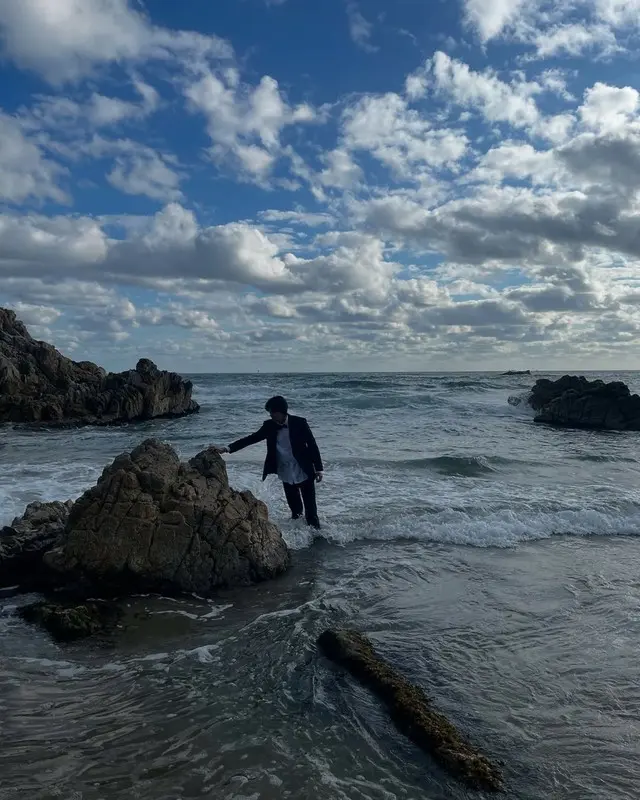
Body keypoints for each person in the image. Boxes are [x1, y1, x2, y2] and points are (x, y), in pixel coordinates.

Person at [215, 396, 324, 529]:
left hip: (303, 469)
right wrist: (228, 448)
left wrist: (318, 468)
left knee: (311, 511)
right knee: (295, 511)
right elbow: (252, 438)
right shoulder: (269, 426)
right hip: (285, 470)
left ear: (281, 411)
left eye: (273, 412)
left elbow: (312, 444)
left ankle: (317, 539)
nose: (271, 415)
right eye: (270, 412)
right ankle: (300, 537)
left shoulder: (299, 423)